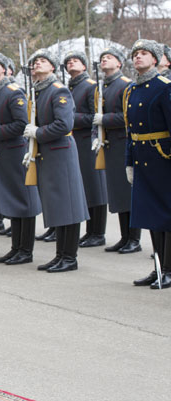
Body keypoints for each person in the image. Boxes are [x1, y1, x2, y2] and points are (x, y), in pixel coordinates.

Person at [23, 49, 89, 273]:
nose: (37, 64)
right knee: (57, 206)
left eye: (42, 61)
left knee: (68, 205)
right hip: (47, 153)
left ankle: (69, 257)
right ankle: (60, 254)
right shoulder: (39, 91)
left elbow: (64, 125)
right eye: (35, 62)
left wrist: (37, 133)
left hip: (60, 153)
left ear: (52, 67)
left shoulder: (57, 90)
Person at [0, 52, 41, 264]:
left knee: (23, 200)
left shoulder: (13, 92)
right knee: (12, 200)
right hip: (2, 152)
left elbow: (21, 124)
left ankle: (26, 250)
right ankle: (16, 247)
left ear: (5, 69)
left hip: (16, 150)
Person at [124, 39, 171, 289]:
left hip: (163, 159)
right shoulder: (132, 90)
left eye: (144, 54)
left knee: (167, 216)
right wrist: (129, 162)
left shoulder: (165, 87)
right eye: (135, 54)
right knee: (152, 216)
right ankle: (159, 267)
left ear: (155, 59)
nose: (138, 58)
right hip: (143, 159)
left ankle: (170, 269)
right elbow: (130, 131)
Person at [92, 48, 141, 254]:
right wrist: (96, 134)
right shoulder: (101, 87)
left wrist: (106, 120)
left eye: (109, 58)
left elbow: (128, 116)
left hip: (122, 143)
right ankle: (124, 237)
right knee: (118, 194)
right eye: (102, 58)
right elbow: (96, 113)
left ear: (119, 64)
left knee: (127, 193)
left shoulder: (125, 85)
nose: (104, 61)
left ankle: (134, 239)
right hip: (110, 145)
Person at [64, 51, 108, 248]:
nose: (71, 63)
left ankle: (97, 232)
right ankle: (90, 231)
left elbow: (95, 116)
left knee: (95, 186)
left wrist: (71, 119)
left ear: (84, 66)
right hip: (75, 141)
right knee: (85, 187)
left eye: (76, 60)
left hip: (87, 139)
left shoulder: (90, 86)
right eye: (68, 62)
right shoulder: (69, 88)